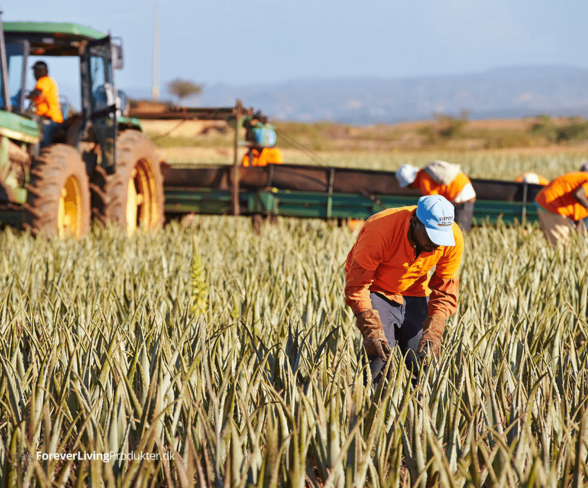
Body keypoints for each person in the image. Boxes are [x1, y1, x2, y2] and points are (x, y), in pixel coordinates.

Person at [345, 195, 463, 383]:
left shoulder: (453, 239)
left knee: (425, 358)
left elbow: (445, 290)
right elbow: (357, 285)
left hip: (416, 291)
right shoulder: (379, 230)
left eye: (441, 237)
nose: (437, 244)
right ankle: (371, 406)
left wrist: (436, 328)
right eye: (432, 236)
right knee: (379, 356)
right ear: (415, 222)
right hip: (377, 290)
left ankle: (418, 408)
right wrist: (370, 327)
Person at [396, 161, 476, 232]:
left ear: (411, 182)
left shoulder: (424, 182)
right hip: (464, 189)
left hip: (461, 196)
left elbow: (435, 205)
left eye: (409, 186)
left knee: (459, 232)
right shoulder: (426, 174)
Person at [534, 172, 588, 246]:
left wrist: (580, 232)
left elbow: (576, 211)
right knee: (562, 245)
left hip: (547, 202)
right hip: (553, 205)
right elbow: (579, 194)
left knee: (555, 245)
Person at [26, 61, 63, 147]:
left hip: (50, 119)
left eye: (38, 71)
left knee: (42, 138)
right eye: (35, 71)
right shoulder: (46, 82)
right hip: (43, 118)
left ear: (44, 71)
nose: (35, 73)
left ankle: (41, 153)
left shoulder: (45, 81)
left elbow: (38, 92)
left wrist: (26, 97)